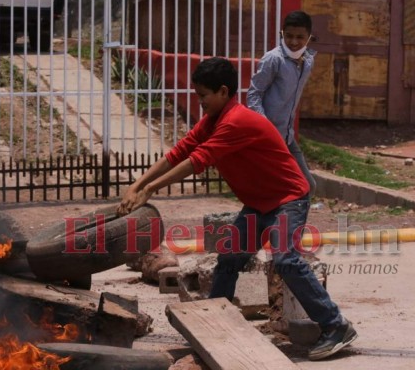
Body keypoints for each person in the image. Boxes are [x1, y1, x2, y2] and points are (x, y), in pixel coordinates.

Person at [117, 57, 357, 361]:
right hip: (259, 204)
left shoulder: (236, 122)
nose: (199, 101)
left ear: (223, 91)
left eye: (203, 95)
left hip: (288, 198)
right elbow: (180, 151)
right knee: (230, 258)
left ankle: (336, 326)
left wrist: (149, 189)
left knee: (285, 259)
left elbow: (196, 161)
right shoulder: (213, 120)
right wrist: (137, 184)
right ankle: (215, 324)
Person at [247, 10, 317, 197]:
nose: (294, 42)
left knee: (307, 186)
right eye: (289, 36)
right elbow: (254, 94)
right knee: (271, 190)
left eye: (299, 37)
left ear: (308, 37)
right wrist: (264, 127)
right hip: (268, 137)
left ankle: (287, 225)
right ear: (282, 34)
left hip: (287, 136)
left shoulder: (308, 62)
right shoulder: (273, 59)